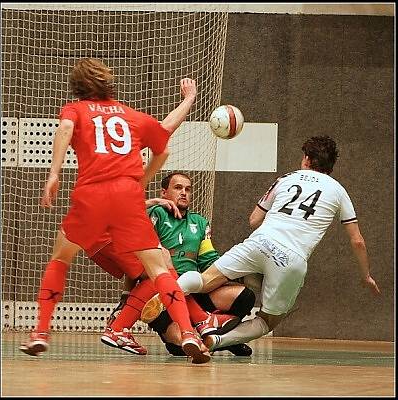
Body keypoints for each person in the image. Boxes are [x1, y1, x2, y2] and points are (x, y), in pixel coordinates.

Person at [19, 58, 211, 364]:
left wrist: (54, 173)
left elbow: (66, 128)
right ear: (108, 82)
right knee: (160, 268)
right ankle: (188, 332)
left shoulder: (75, 109)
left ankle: (40, 332)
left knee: (60, 259)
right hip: (127, 197)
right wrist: (142, 181)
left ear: (77, 87)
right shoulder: (129, 114)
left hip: (91, 196)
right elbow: (164, 143)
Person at [142, 135, 381, 352]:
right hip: (291, 259)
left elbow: (254, 219)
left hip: (260, 242)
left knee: (204, 281)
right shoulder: (338, 191)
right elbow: (357, 241)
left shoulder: (286, 178)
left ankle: (167, 295)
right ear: (330, 165)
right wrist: (366, 275)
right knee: (267, 320)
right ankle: (217, 341)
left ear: (307, 159)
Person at [104, 172, 256, 357]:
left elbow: (209, 259)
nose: (184, 192)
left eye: (188, 189)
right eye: (178, 188)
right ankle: (208, 330)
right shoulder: (156, 214)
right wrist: (125, 295)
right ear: (164, 193)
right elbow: (140, 258)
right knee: (181, 341)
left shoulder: (200, 223)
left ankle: (218, 336)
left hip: (194, 289)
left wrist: (235, 271)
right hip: (161, 297)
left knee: (243, 295)